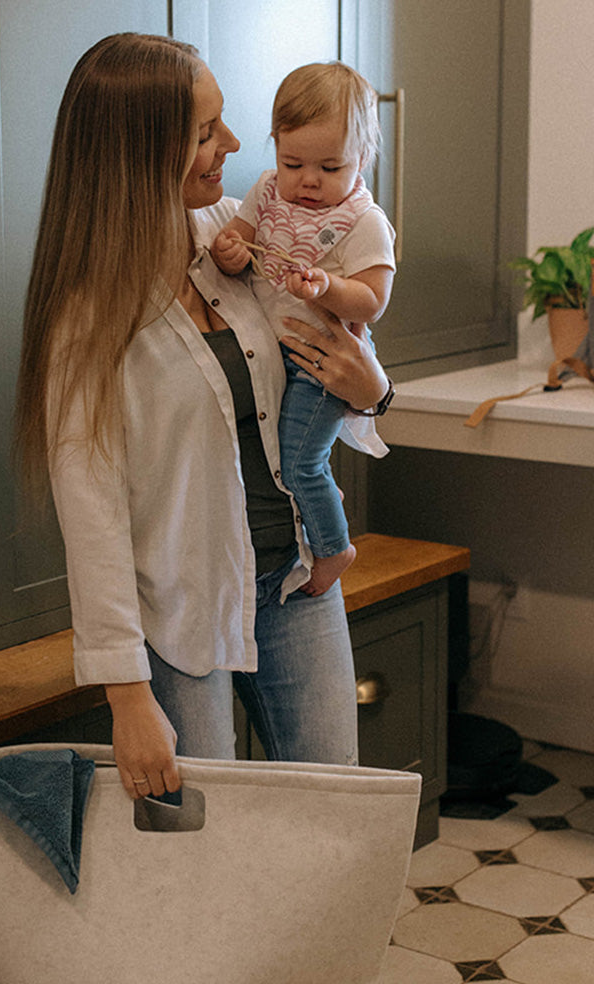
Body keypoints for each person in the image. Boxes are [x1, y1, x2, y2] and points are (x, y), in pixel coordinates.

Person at [14, 33, 393, 801]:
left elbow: (342, 340)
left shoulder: (234, 234)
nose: (233, 143)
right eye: (204, 131)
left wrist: (376, 388)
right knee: (203, 843)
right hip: (183, 611)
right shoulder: (86, 317)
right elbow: (92, 518)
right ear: (141, 149)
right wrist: (127, 696)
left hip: (294, 577)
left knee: (337, 813)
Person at [212, 62, 396, 597]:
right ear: (275, 148)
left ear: (360, 160)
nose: (308, 180)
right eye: (292, 162)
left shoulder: (362, 221)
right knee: (294, 458)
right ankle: (324, 501)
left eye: (330, 167)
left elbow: (374, 299)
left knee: (298, 461)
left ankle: (336, 550)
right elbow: (240, 242)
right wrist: (228, 252)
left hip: (318, 365)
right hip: (276, 356)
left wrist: (327, 289)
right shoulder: (269, 193)